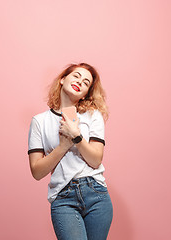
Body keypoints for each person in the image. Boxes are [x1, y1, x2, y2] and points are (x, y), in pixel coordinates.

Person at [27, 63, 113, 240]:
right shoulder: (39, 121)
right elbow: (37, 171)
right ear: (62, 79)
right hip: (63, 198)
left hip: (96, 194)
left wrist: (76, 136)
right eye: (76, 76)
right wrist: (63, 146)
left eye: (86, 82)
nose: (80, 82)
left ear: (85, 94)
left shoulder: (93, 115)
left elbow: (96, 160)